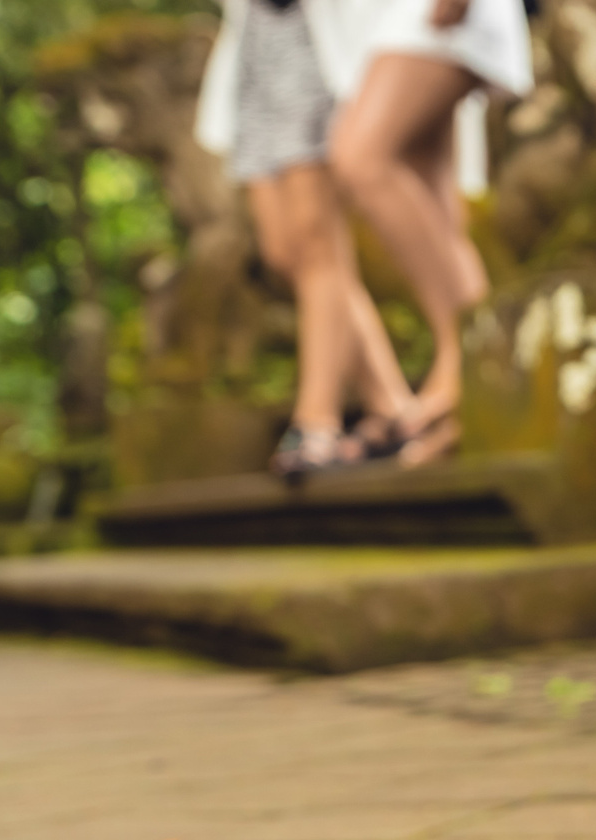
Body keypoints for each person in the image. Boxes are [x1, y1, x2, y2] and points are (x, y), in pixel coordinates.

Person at [196, 0, 421, 481]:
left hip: (309, 43)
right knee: (285, 253)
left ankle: (317, 421)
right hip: (252, 49)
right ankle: (392, 403)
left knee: (318, 244)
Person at [327, 0, 534, 465]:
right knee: (426, 184)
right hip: (384, 19)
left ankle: (470, 356)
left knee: (361, 158)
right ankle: (465, 383)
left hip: (427, 13)